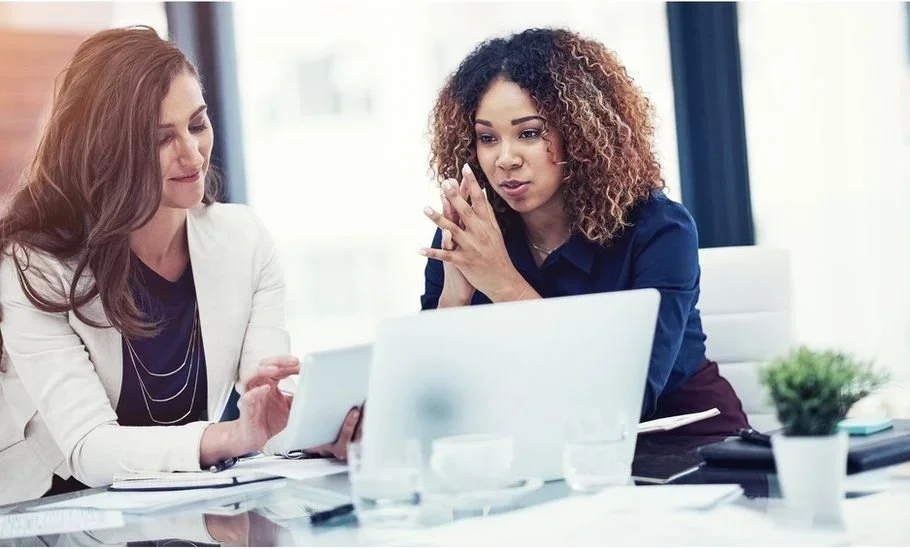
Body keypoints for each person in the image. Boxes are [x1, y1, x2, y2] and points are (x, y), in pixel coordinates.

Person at [0, 26, 356, 506]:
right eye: (161, 138)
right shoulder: (36, 266)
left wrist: (311, 430)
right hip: (51, 511)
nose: (192, 153)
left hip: (181, 506)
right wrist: (232, 437)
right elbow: (90, 449)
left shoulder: (243, 240)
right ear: (107, 149)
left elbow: (265, 413)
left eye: (197, 124)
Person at [419, 28, 750, 435]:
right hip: (534, 448)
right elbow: (433, 403)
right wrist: (455, 299)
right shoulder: (471, 233)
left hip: (679, 445)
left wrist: (503, 283)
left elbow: (625, 402)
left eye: (529, 133)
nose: (505, 159)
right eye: (488, 138)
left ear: (580, 134)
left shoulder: (660, 230)